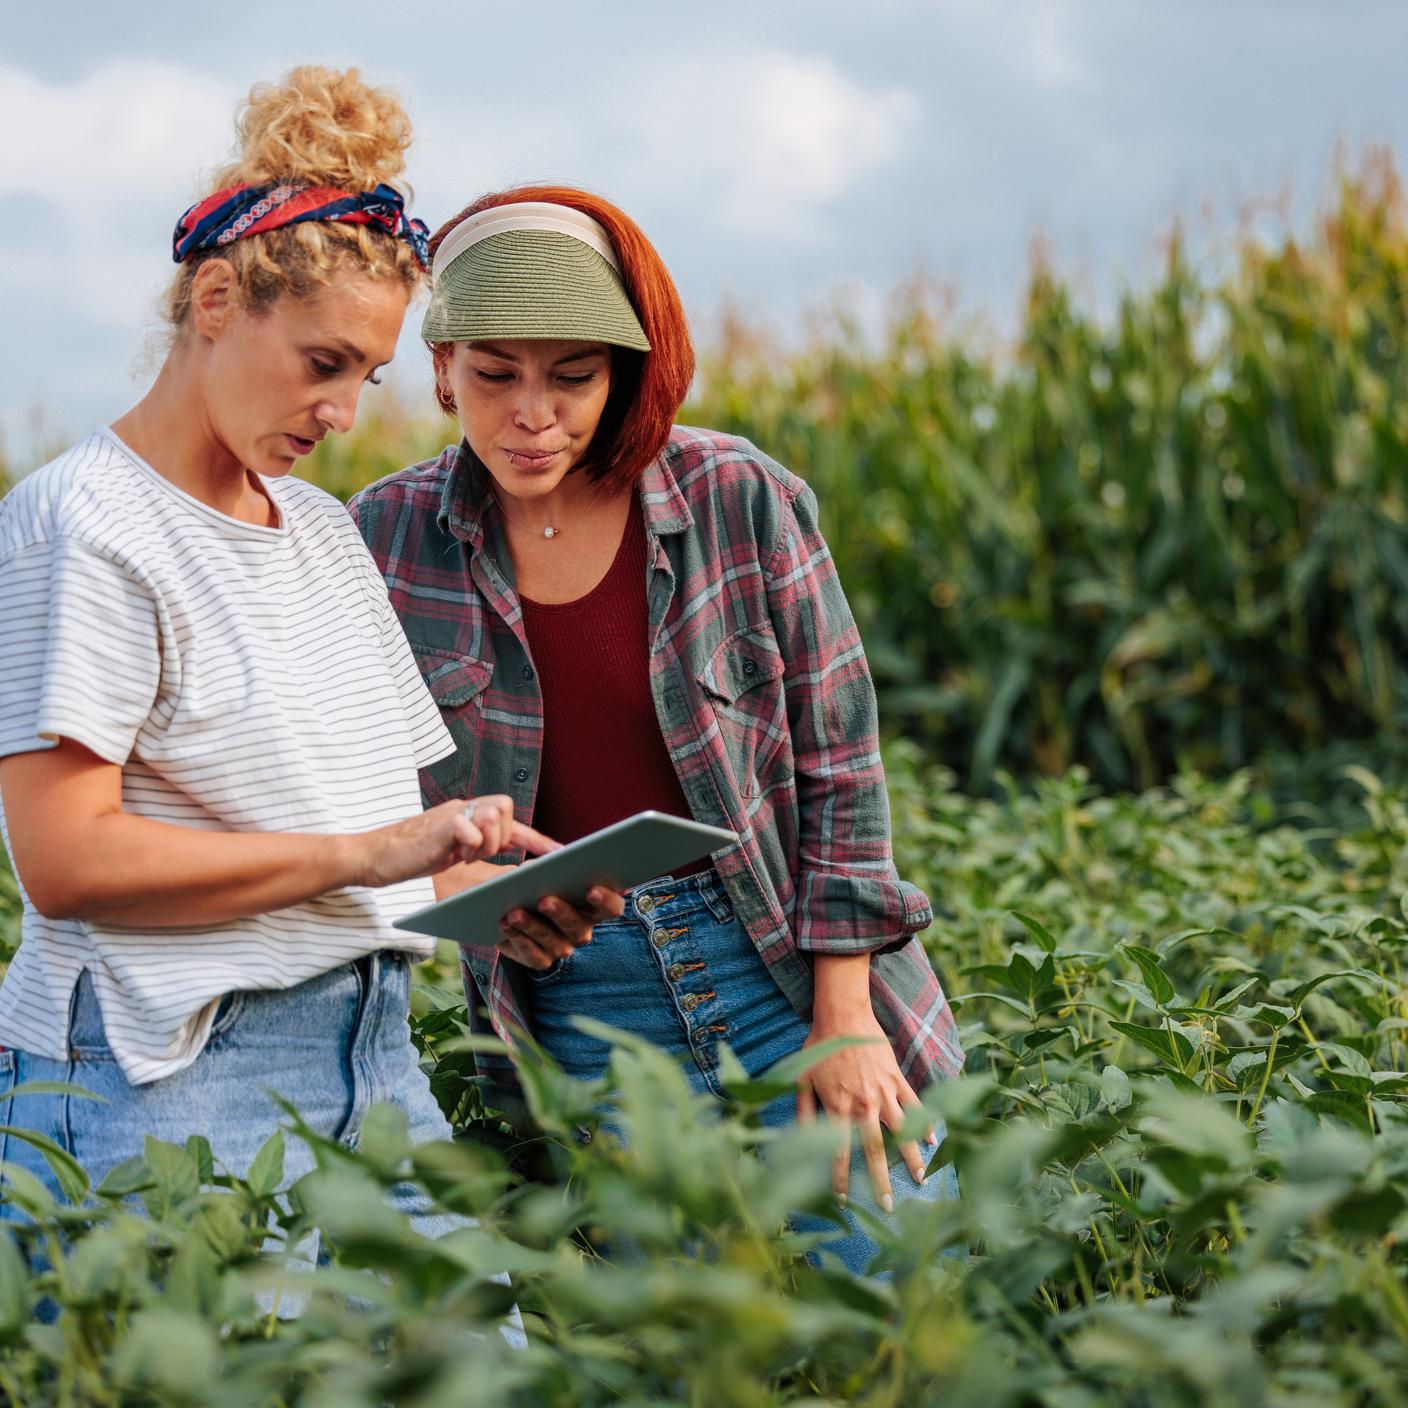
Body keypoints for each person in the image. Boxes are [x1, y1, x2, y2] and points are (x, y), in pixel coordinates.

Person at [0, 68, 547, 1338]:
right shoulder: (83, 527)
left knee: (492, 1364)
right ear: (213, 300)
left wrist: (487, 895)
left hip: (370, 1057)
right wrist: (378, 853)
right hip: (168, 1085)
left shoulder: (316, 531)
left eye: (368, 376)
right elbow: (67, 859)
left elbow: (357, 839)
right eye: (322, 363)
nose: (345, 415)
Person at [349, 187, 966, 1274]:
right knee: (677, 1345)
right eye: (494, 374)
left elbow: (841, 768)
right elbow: (365, 797)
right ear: (440, 365)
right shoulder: (386, 539)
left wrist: (844, 1014)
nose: (532, 413)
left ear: (623, 371)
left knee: (904, 1299)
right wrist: (478, 901)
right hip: (582, 999)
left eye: (572, 375)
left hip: (781, 964)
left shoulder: (738, 496)